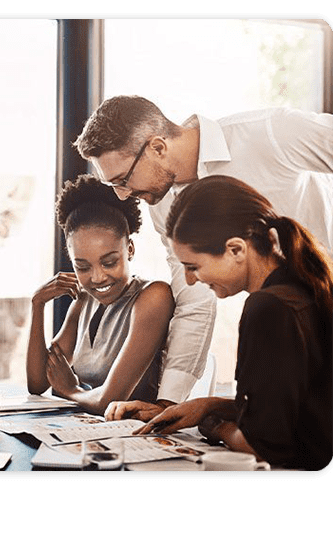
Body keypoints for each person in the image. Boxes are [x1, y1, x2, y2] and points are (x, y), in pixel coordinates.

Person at [73, 95, 333, 420]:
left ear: (157, 147)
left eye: (123, 180)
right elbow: (194, 301)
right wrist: (168, 403)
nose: (123, 195)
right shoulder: (163, 204)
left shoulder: (269, 132)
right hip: (294, 332)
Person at [132, 176, 333, 472]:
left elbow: (262, 448)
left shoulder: (268, 308)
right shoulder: (303, 289)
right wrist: (209, 405)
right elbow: (289, 407)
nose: (190, 280)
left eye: (193, 266)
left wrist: (216, 428)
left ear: (236, 249)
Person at [25, 174, 174, 415]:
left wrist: (71, 390)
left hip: (137, 432)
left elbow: (110, 401)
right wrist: (38, 303)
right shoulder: (84, 301)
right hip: (90, 431)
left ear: (130, 249)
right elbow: (38, 382)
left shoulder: (153, 297)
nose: (97, 278)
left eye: (109, 262)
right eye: (82, 267)